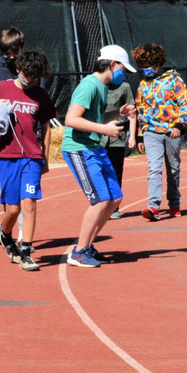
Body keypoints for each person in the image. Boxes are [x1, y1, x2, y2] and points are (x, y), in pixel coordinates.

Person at [0, 51, 57, 271]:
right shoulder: (1, 88)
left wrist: (45, 157)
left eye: (35, 77)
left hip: (31, 156)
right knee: (12, 209)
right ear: (19, 69)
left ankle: (27, 250)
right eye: (27, 75)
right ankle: (5, 233)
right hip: (6, 156)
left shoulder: (40, 94)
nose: (30, 80)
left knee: (29, 202)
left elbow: (46, 127)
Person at [61, 45, 136, 268]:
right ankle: (78, 252)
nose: (125, 75)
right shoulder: (89, 85)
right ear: (112, 64)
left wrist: (118, 114)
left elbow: (96, 117)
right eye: (123, 68)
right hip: (79, 148)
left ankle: (87, 245)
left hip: (94, 147)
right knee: (100, 200)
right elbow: (71, 119)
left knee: (115, 198)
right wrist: (104, 130)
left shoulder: (102, 87)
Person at [0, 28, 46, 244]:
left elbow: (39, 106)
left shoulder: (33, 71)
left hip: (28, 143)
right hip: (3, 142)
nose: (10, 57)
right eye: (6, 53)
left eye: (14, 52)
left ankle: (25, 239)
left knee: (29, 199)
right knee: (11, 200)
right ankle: (8, 232)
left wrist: (41, 143)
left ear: (23, 48)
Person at [132, 43, 187, 221]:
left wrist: (179, 125)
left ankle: (174, 202)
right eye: (141, 67)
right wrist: (140, 135)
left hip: (172, 132)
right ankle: (153, 206)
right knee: (154, 168)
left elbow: (184, 104)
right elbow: (140, 109)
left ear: (157, 63)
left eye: (147, 66)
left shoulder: (175, 80)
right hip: (151, 133)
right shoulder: (143, 85)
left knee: (173, 168)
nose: (145, 70)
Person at [101, 80, 137, 220]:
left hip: (117, 138)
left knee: (116, 173)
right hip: (99, 137)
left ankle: (114, 207)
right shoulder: (98, 85)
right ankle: (101, 206)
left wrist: (132, 136)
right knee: (100, 172)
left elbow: (132, 112)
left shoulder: (125, 86)